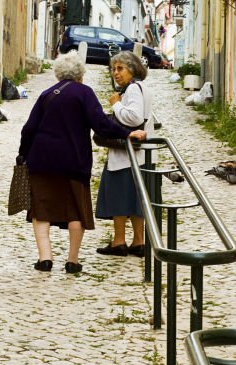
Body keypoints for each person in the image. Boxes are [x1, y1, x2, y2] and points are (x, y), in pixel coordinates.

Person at [18, 52, 147, 274]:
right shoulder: (84, 93)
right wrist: (127, 134)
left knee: (41, 209)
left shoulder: (47, 94)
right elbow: (101, 124)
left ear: (59, 73)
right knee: (76, 210)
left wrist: (23, 155)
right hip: (73, 161)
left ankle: (45, 258)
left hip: (41, 160)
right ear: (80, 74)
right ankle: (72, 261)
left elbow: (28, 129)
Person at [95, 51, 154, 258]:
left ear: (133, 69)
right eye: (113, 69)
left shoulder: (132, 90)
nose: (115, 73)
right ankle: (138, 241)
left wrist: (115, 104)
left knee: (118, 198)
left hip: (126, 155)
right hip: (140, 156)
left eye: (120, 69)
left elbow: (133, 117)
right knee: (136, 201)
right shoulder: (141, 88)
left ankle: (119, 240)